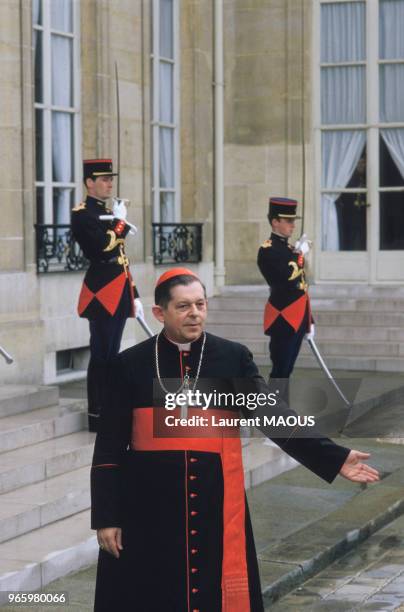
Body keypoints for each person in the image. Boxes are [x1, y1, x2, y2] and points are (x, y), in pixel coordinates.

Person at [91, 267, 379, 612]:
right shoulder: (129, 365)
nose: (194, 313)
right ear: (159, 313)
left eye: (200, 304)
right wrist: (107, 516)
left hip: (214, 500)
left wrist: (333, 456)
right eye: (183, 306)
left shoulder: (230, 358)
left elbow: (272, 414)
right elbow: (108, 447)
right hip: (148, 505)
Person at [71, 158, 143, 432]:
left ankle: (110, 407)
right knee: (102, 353)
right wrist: (120, 223)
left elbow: (121, 256)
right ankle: (97, 414)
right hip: (101, 290)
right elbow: (103, 249)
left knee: (113, 354)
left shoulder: (108, 212)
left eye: (110, 178)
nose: (109, 183)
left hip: (118, 285)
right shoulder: (82, 214)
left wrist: (134, 292)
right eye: (103, 179)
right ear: (89, 182)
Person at [257, 197, 314, 390]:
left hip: (297, 316)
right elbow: (286, 278)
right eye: (288, 221)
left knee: (287, 371)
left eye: (293, 221)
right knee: (280, 371)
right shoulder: (268, 250)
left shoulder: (289, 249)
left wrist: (309, 320)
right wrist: (300, 254)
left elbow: (302, 286)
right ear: (275, 222)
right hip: (283, 317)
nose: (293, 225)